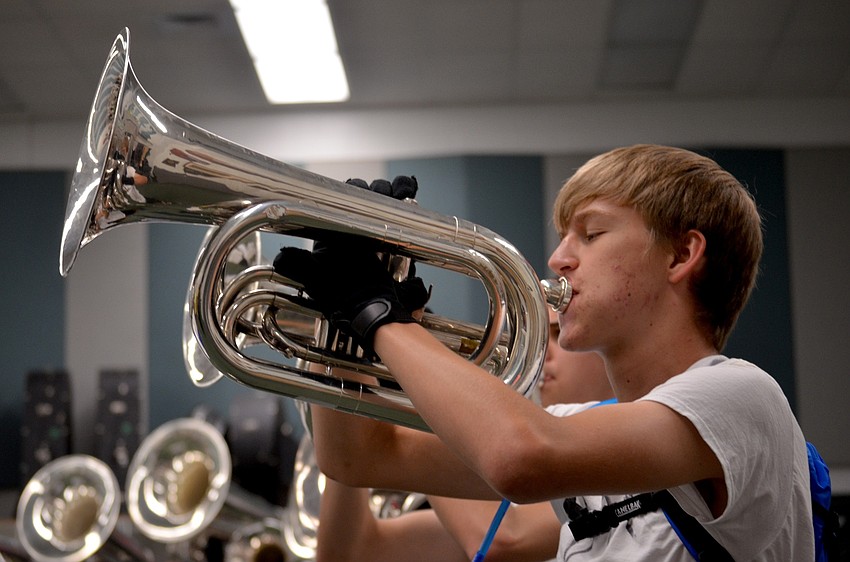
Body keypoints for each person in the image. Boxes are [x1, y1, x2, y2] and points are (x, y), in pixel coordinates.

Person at [275, 144, 813, 560]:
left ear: (680, 254)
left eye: (592, 232)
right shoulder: (577, 426)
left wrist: (381, 319)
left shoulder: (742, 395)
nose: (558, 258)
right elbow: (358, 457)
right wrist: (341, 331)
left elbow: (520, 458)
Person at [314, 310, 615, 562]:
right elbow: (353, 552)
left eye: (556, 333)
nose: (542, 350)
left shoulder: (618, 452)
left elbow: (502, 537)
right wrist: (340, 354)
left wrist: (410, 366)